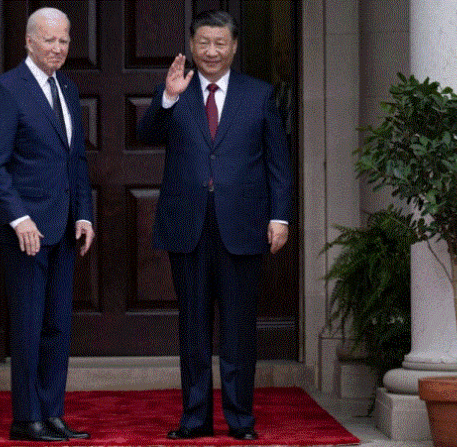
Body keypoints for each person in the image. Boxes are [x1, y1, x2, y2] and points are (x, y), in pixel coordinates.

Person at [137, 10, 291, 441]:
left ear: (234, 46)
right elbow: (146, 135)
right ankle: (195, 418)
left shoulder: (258, 95)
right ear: (192, 44)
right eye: (203, 42)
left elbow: (278, 164)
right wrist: (166, 98)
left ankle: (241, 420)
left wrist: (279, 217)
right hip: (189, 226)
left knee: (239, 329)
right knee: (194, 328)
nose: (211, 51)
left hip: (243, 225)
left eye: (219, 43)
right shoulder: (176, 90)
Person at [0, 7, 94, 442]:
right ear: (29, 41)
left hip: (64, 228)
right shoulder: (7, 89)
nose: (58, 48)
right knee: (28, 325)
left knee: (57, 325)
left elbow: (76, 160)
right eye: (50, 40)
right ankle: (25, 418)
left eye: (64, 40)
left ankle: (52, 413)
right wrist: (18, 217)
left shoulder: (67, 87)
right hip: (25, 232)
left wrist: (83, 213)